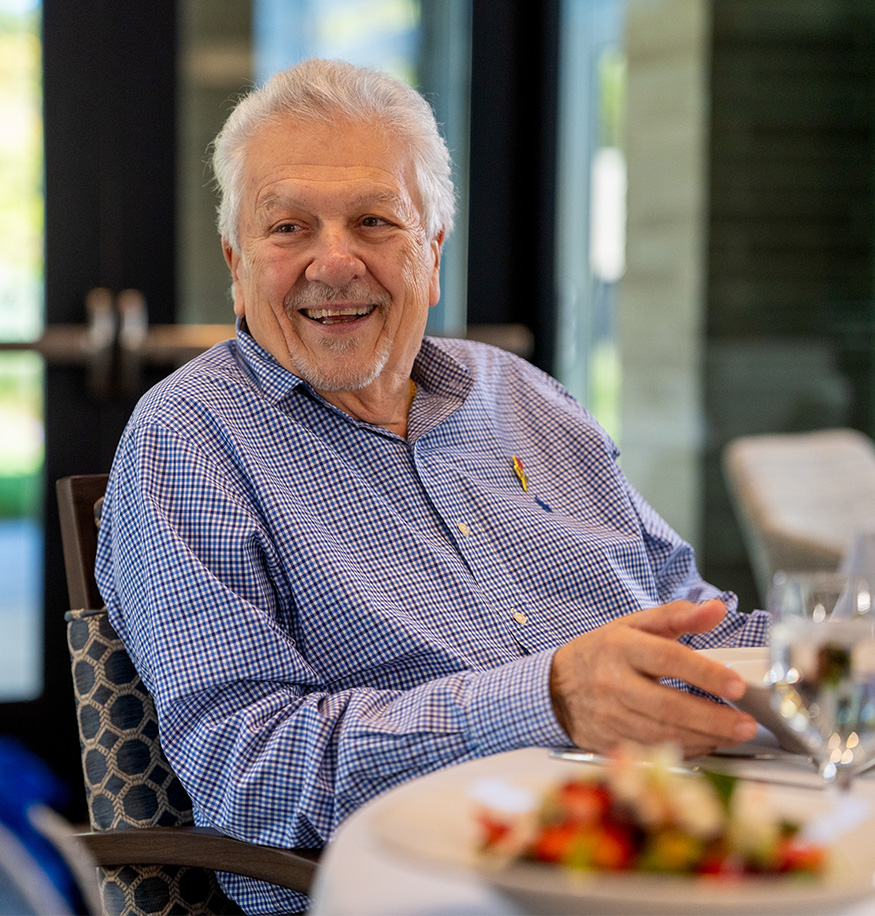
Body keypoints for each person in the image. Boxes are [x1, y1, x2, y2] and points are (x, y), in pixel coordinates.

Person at [95, 58, 768, 914]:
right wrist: (550, 698)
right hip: (444, 884)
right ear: (237, 261)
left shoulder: (522, 395)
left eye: (375, 221)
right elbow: (252, 771)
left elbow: (697, 628)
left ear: (433, 249)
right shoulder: (188, 440)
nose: (333, 263)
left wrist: (836, 656)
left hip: (666, 841)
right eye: (289, 228)